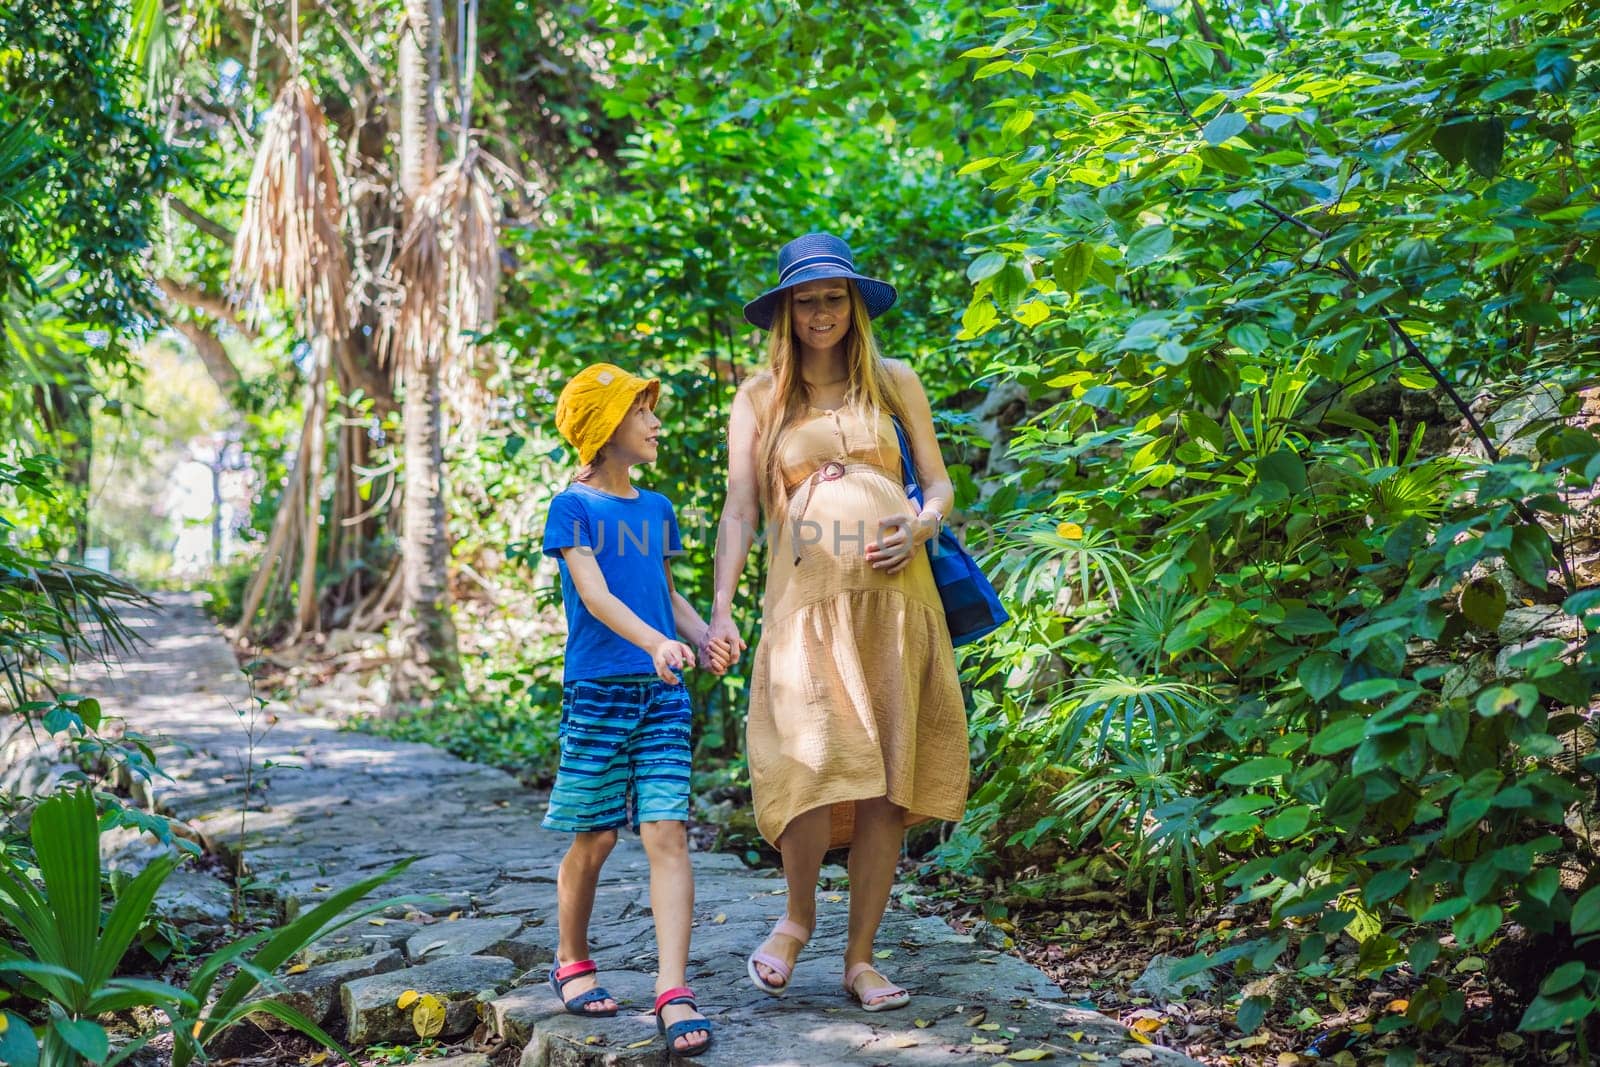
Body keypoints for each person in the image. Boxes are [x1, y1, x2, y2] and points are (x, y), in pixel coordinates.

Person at [703, 233, 969, 1012]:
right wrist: (720, 607)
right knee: (815, 760)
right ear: (786, 311)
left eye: (833, 296)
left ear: (854, 304)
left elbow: (942, 485)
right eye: (806, 299)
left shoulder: (895, 381)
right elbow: (740, 508)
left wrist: (919, 526)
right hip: (807, 606)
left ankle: (860, 958)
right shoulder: (759, 396)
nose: (821, 311)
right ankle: (796, 917)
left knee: (888, 777)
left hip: (898, 601)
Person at [540, 362, 732, 1056]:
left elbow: (661, 590)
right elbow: (593, 594)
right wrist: (655, 641)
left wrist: (701, 634)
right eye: (642, 411)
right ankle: (570, 956)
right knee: (595, 836)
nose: (655, 423)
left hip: (663, 694)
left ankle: (673, 987)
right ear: (604, 426)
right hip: (599, 692)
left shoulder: (656, 508)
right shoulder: (574, 507)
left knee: (667, 832)